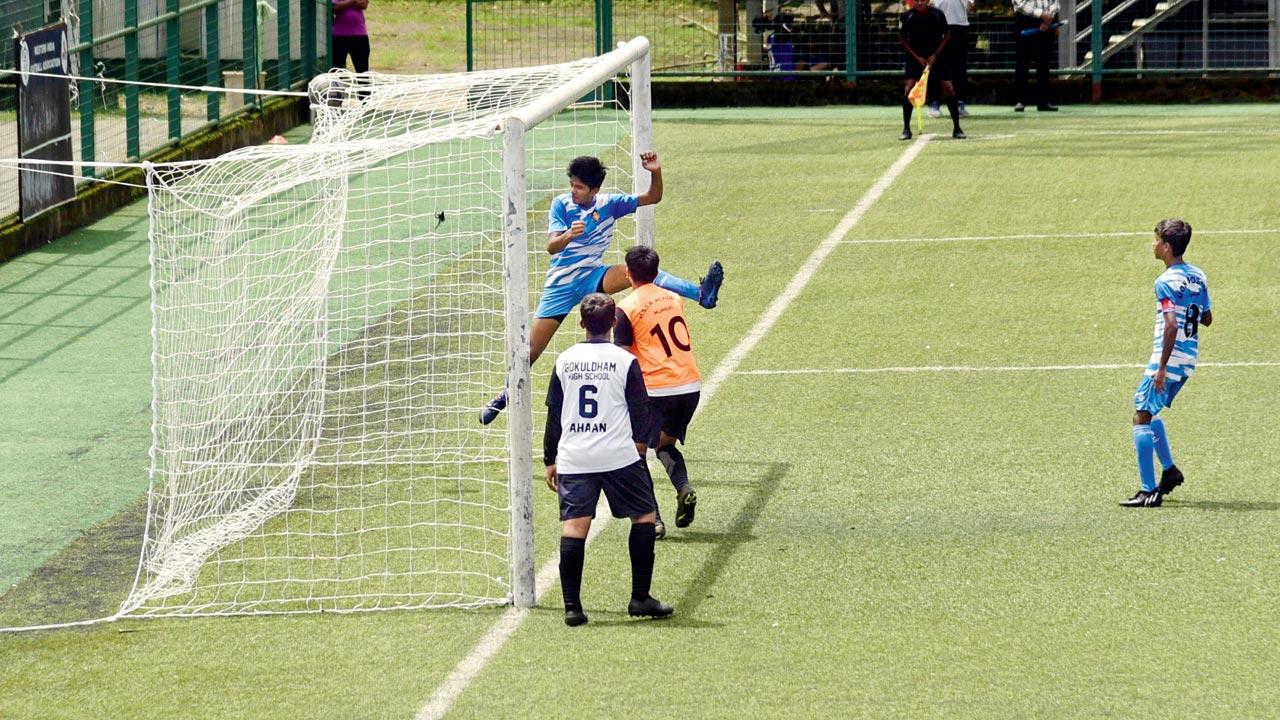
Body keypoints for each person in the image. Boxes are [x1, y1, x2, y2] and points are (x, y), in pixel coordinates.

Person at [479, 153, 724, 424]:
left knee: (644, 272)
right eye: (572, 184)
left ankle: (701, 295)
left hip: (593, 275)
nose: (573, 190)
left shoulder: (611, 204)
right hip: (559, 287)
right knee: (530, 351)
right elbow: (551, 247)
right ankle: (504, 395)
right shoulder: (561, 204)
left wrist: (656, 172)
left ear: (595, 190)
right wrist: (568, 235)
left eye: (579, 187)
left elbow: (653, 197)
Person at [543, 293, 675, 625]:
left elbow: (554, 413)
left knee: (575, 527)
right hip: (618, 456)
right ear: (614, 322)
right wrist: (641, 448)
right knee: (645, 517)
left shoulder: (564, 359)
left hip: (575, 456)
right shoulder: (624, 360)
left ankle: (572, 608)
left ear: (582, 323)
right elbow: (640, 408)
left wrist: (550, 458)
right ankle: (640, 597)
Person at [1121, 219, 1212, 508]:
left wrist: (1160, 367)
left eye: (1156, 240)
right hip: (1188, 359)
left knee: (1141, 414)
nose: (1153, 244)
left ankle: (1149, 490)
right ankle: (1170, 472)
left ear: (1167, 246)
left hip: (1169, 358)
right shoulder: (1198, 275)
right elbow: (1207, 318)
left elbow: (1171, 324)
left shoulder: (1164, 282)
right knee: (1151, 410)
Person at [614, 246, 702, 540]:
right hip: (690, 386)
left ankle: (652, 519)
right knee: (664, 445)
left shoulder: (626, 307)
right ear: (656, 272)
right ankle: (683, 488)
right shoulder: (674, 298)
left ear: (628, 274)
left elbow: (622, 358)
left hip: (657, 390)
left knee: (634, 452)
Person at [899, 0, 965, 141]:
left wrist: (935, 55)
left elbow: (947, 34)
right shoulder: (906, 16)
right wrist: (917, 57)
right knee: (908, 89)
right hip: (915, 57)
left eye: (923, 0)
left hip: (937, 56)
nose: (920, 2)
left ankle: (957, 128)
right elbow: (902, 39)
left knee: (949, 88)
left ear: (928, 1)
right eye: (916, 0)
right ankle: (906, 129)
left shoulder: (937, 14)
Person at [928, 0, 973, 118]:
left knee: (959, 68)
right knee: (936, 66)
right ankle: (934, 103)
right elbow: (928, 4)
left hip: (960, 27)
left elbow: (970, 5)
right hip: (938, 26)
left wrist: (957, 16)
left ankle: (959, 103)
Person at [1012, 0, 1059, 111]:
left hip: (1047, 20)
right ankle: (1020, 100)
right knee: (1022, 62)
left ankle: (1043, 101)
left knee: (1044, 63)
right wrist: (1042, 14)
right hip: (1025, 20)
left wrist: (1049, 15)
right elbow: (1019, 2)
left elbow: (1055, 2)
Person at [331, 0, 370, 74]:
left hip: (360, 35)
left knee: (362, 71)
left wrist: (345, 4)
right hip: (339, 36)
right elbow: (335, 8)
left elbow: (364, 4)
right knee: (336, 69)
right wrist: (353, 1)